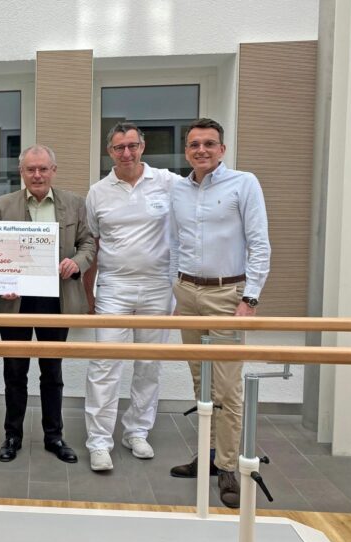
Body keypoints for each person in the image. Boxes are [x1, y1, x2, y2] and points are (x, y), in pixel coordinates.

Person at [169, 117, 270, 509]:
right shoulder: (179, 190)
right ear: (187, 151)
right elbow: (175, 243)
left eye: (209, 144)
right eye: (194, 144)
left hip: (228, 294)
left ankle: (228, 466)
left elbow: (259, 243)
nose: (201, 150)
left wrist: (250, 299)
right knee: (201, 382)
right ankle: (208, 456)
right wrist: (175, 291)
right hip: (188, 293)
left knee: (227, 388)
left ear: (222, 149)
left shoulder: (244, 184)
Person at [82, 123, 180, 472]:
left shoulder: (168, 182)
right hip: (114, 286)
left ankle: (137, 432)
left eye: (132, 146)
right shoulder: (97, 192)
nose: (126, 153)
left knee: (149, 364)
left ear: (143, 146)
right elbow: (92, 245)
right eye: (119, 147)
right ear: (109, 151)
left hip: (158, 287)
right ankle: (99, 441)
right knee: (105, 364)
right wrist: (90, 295)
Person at [0, 144, 95, 464]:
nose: (37, 175)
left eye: (43, 169)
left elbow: (88, 244)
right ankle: (12, 435)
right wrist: (2, 282)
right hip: (15, 302)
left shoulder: (74, 204)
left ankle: (54, 436)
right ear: (21, 172)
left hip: (56, 299)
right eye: (30, 169)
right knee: (14, 372)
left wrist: (77, 263)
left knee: (52, 372)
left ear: (53, 171)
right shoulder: (3, 205)